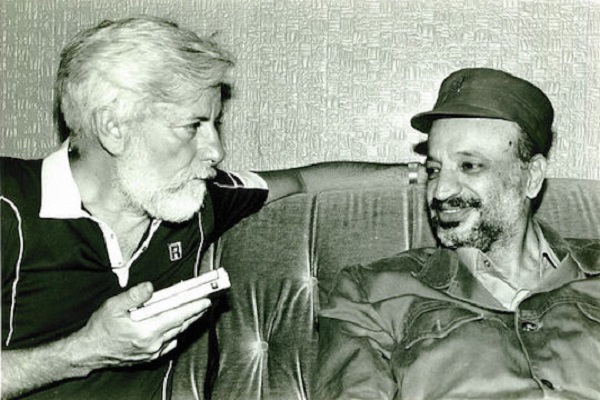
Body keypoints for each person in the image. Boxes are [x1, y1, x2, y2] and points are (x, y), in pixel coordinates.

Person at [0, 16, 315, 400]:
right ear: (113, 128)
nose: (216, 151)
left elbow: (304, 181)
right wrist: (85, 351)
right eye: (192, 126)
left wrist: (395, 172)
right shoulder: (9, 205)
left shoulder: (195, 201)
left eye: (215, 124)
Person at [314, 68, 600, 400]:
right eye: (434, 170)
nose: (440, 191)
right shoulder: (370, 292)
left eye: (469, 166)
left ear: (532, 176)